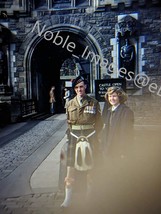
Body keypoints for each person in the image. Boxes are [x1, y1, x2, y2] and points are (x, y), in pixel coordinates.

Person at [61, 75, 103, 208]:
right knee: (70, 169)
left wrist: (95, 135)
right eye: (77, 87)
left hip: (90, 136)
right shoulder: (69, 103)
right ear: (74, 89)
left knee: (91, 169)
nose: (79, 89)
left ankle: (89, 198)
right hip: (74, 136)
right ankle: (67, 200)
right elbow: (68, 123)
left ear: (85, 86)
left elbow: (99, 123)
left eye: (81, 86)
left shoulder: (93, 102)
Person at [102, 86, 134, 158]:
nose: (111, 99)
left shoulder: (126, 112)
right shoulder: (109, 111)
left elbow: (127, 134)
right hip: (108, 149)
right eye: (110, 96)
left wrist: (123, 152)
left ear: (120, 97)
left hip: (119, 150)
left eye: (114, 96)